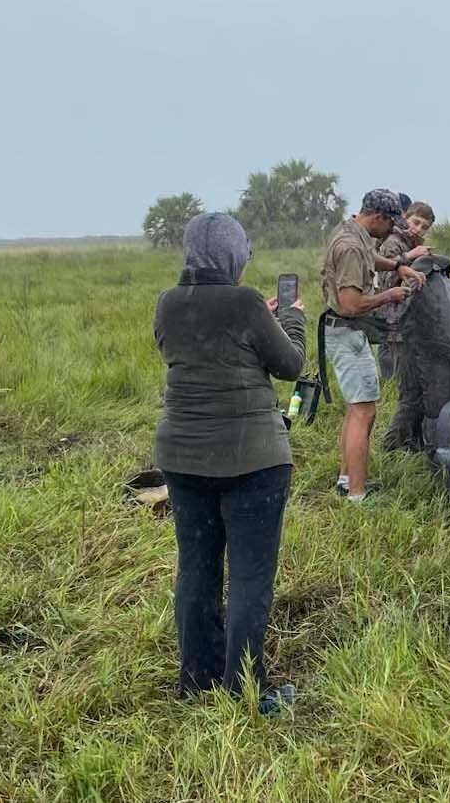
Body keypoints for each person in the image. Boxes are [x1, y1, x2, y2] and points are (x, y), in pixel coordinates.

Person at [152, 212, 304, 714]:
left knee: (195, 570)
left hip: (183, 458)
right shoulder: (245, 302)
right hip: (253, 461)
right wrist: (291, 319)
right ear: (234, 254)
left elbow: (172, 349)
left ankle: (196, 681)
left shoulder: (168, 304)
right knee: (249, 576)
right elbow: (291, 365)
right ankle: (246, 687)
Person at [320, 189, 426, 502]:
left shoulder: (353, 231)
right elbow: (351, 303)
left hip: (346, 332)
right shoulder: (351, 245)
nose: (392, 230)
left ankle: (346, 479)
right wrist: (388, 296)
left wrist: (396, 266)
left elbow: (370, 256)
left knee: (358, 409)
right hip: (347, 331)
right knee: (364, 411)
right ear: (378, 217)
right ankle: (356, 495)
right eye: (390, 224)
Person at [374, 201, 435, 380]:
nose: (418, 229)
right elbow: (386, 281)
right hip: (390, 318)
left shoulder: (410, 242)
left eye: (424, 227)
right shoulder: (393, 241)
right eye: (415, 222)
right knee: (393, 372)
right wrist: (409, 257)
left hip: (405, 318)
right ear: (405, 218)